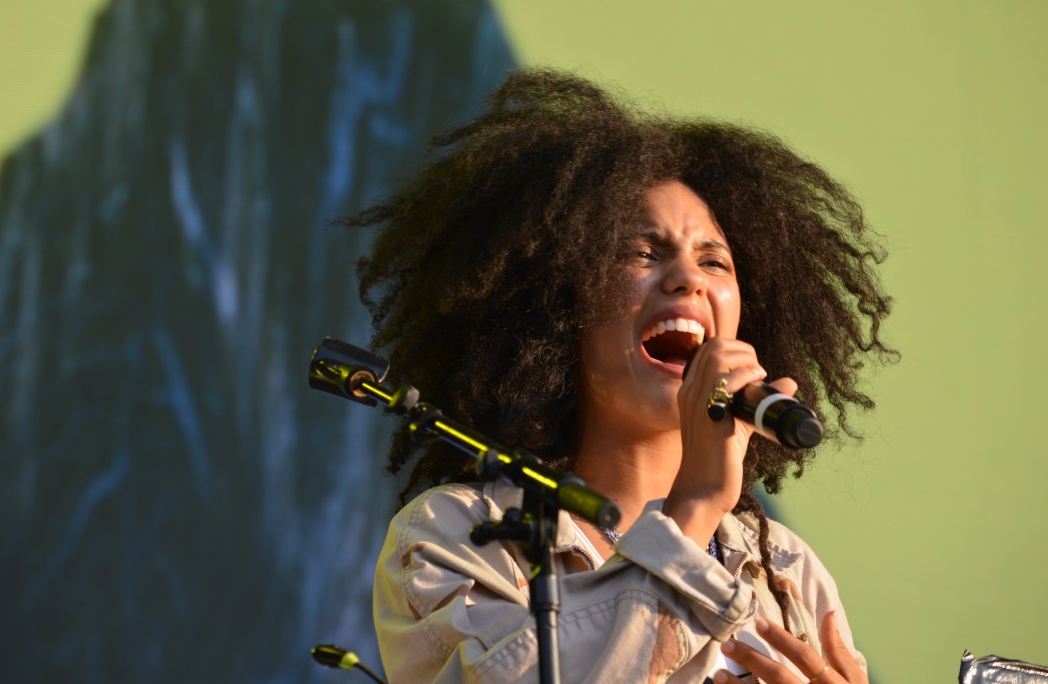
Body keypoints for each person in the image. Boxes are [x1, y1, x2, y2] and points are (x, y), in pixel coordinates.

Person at [346, 69, 897, 683]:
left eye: (714, 261)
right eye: (642, 253)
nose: (688, 279)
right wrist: (692, 510)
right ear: (557, 308)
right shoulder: (459, 534)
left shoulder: (787, 571)